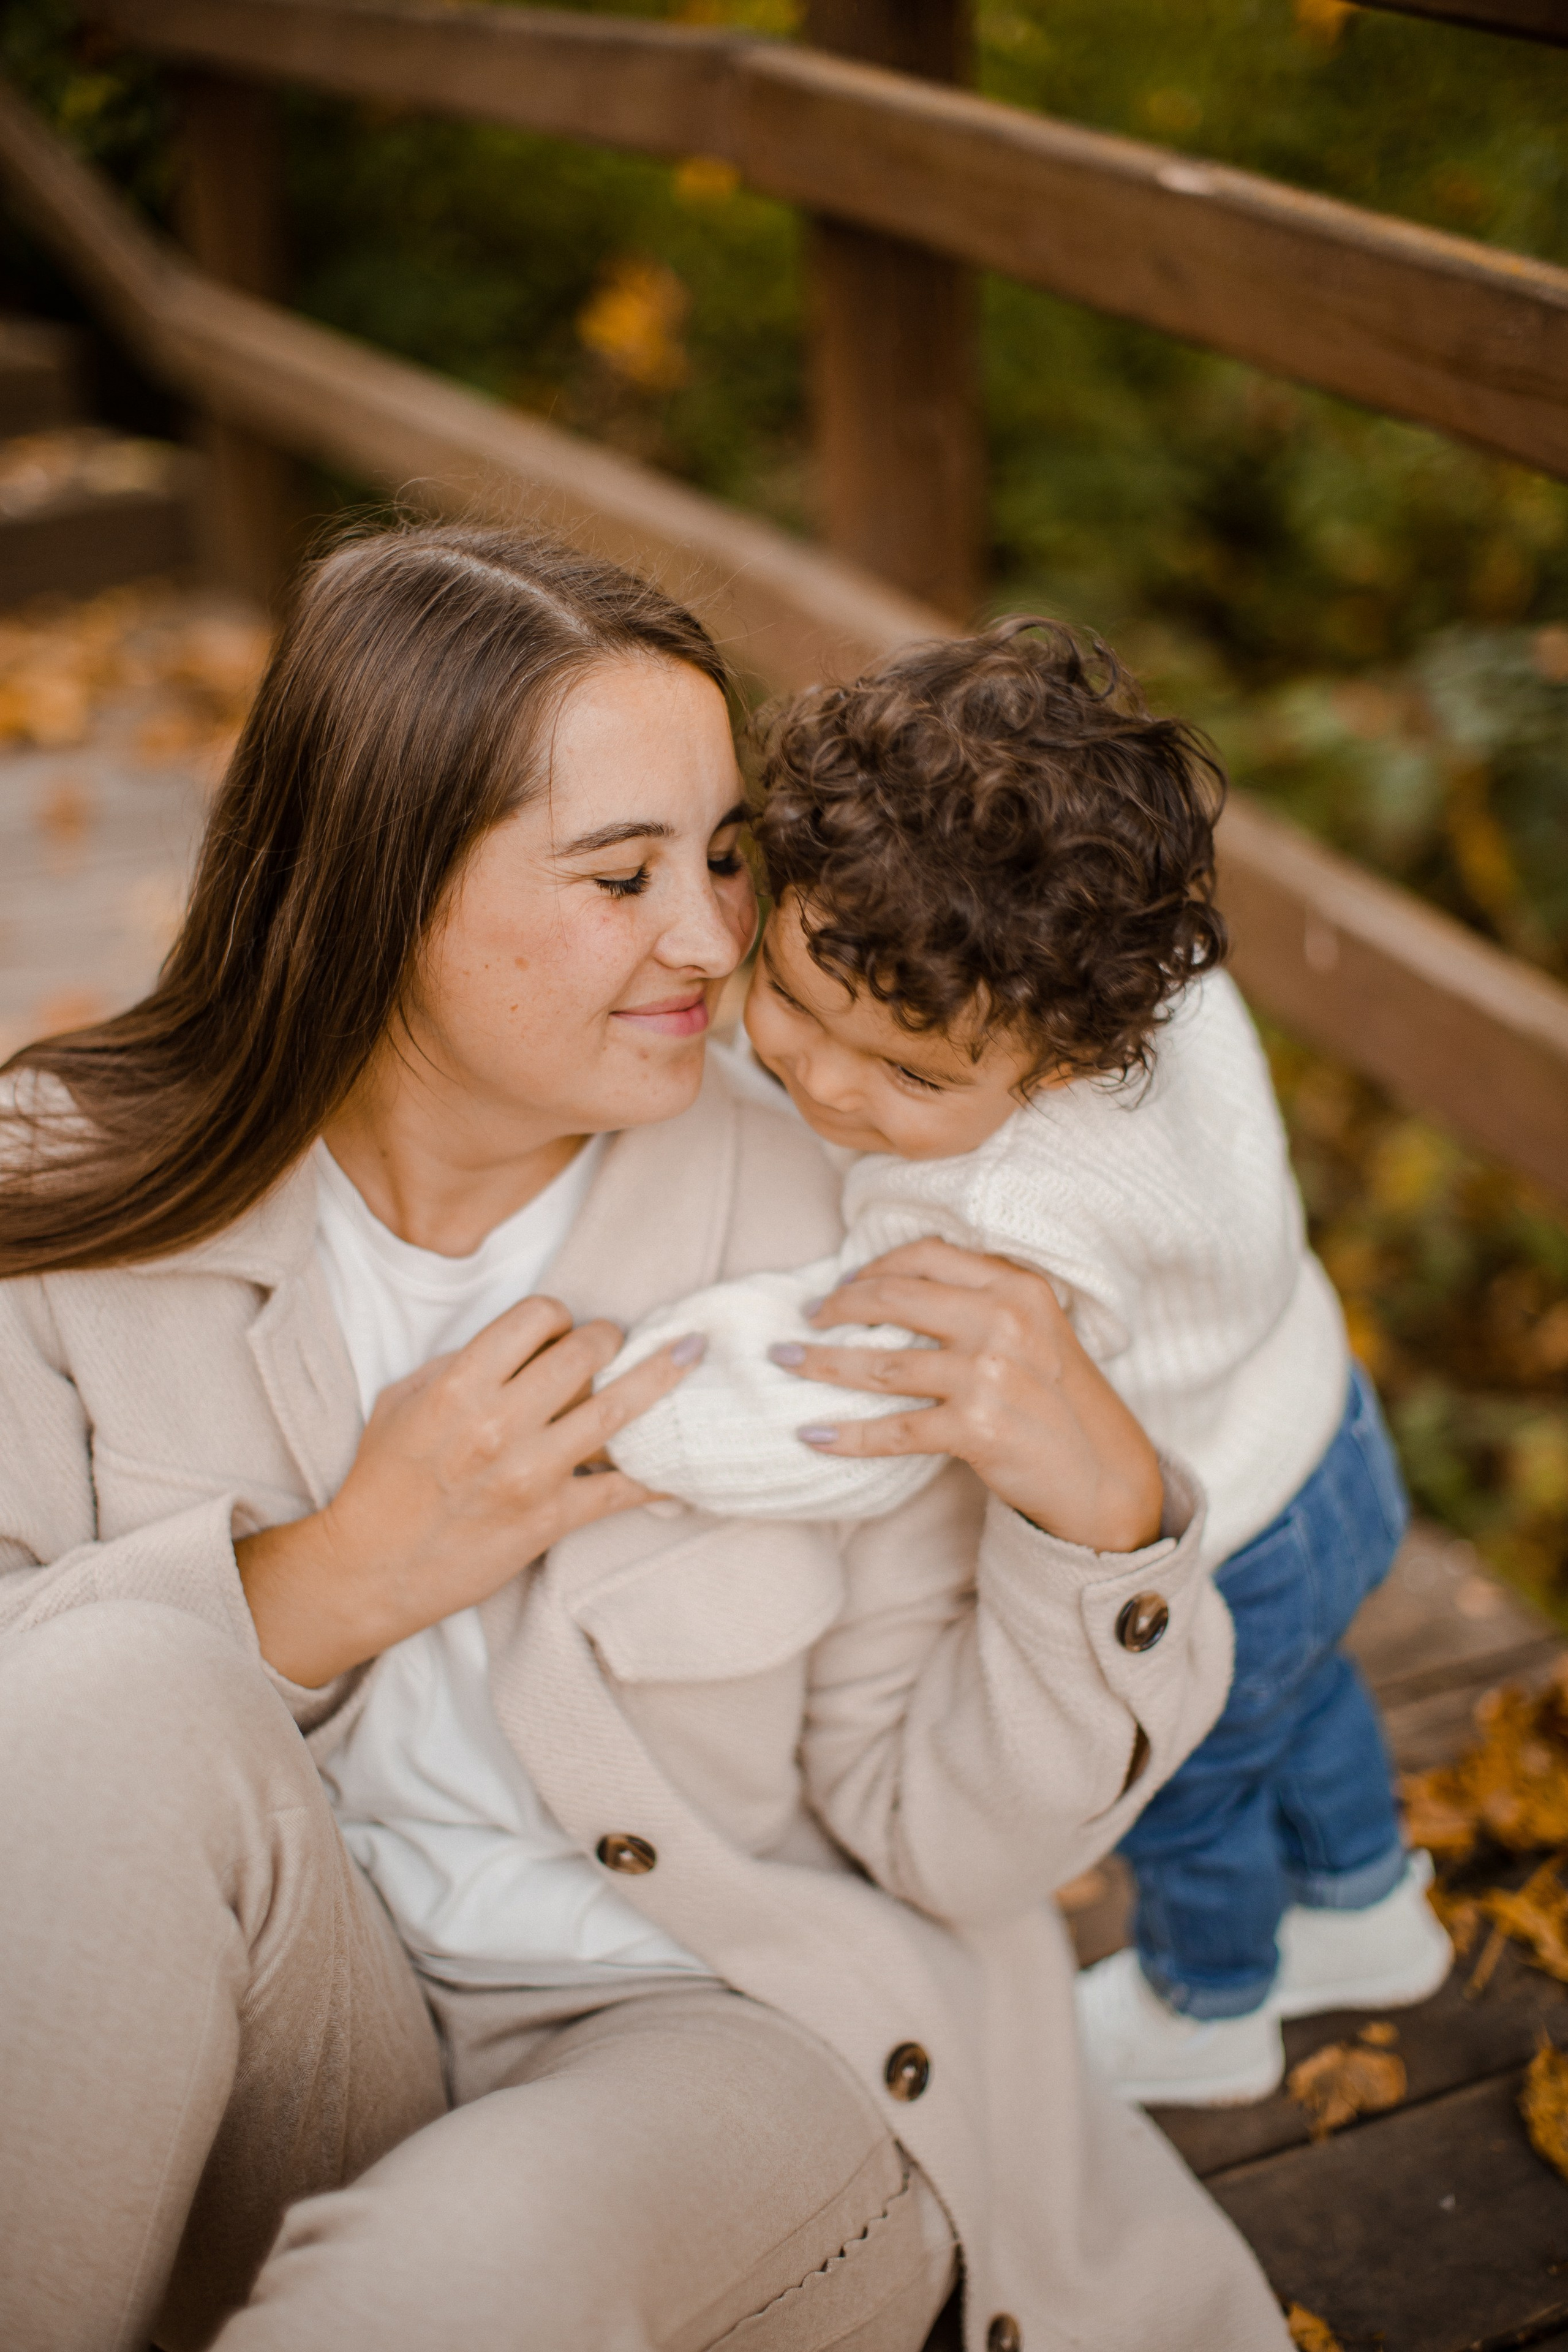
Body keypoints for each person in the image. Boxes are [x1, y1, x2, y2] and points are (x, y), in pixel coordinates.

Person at [0, 526, 1287, 2352]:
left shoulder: (838, 1229)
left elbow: (942, 1839)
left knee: (451, 2275)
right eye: (621, 875)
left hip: (725, 2043)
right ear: (376, 880)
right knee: (102, 1678)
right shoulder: (65, 1185)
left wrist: (1104, 1526)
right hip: (298, 2036)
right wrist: (327, 1581)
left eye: (724, 856)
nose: (713, 939)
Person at [606, 620, 1452, 2107]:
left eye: (907, 1076)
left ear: (1056, 1062)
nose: (820, 1079)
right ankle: (1366, 1908)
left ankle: (1212, 2006)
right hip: (1327, 1436)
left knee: (1192, 1786)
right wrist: (881, 1056)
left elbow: (837, 1394)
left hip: (1221, 1546)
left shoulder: (999, 1213)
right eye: (795, 1000)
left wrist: (641, 1402)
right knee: (1310, 1702)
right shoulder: (1128, 967)